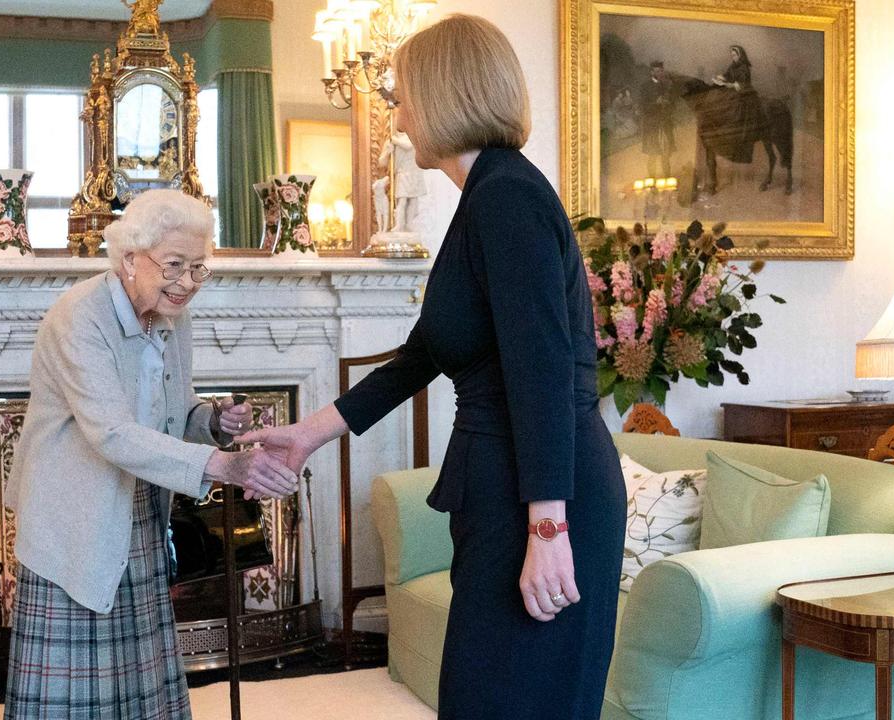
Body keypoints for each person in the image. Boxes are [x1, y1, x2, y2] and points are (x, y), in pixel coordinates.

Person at [238, 14, 626, 720]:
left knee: (515, 702)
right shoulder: (486, 196)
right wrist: (309, 433)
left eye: (403, 96)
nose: (398, 115)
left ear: (447, 95)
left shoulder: (506, 198)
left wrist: (547, 530)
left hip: (535, 496)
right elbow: (425, 353)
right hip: (506, 488)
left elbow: (540, 377)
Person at [3, 188, 298, 720]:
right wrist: (222, 466)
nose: (186, 282)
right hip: (74, 515)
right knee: (78, 693)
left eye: (198, 268)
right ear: (130, 258)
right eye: (174, 265)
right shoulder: (79, 317)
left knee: (137, 680)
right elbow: (112, 433)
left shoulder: (170, 318)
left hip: (139, 510)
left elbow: (173, 414)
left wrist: (211, 422)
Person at [712, 44, 763, 164]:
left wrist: (729, 85)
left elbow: (742, 84)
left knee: (738, 113)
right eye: (732, 55)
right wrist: (718, 78)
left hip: (745, 95)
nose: (733, 57)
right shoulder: (733, 66)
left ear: (740, 55)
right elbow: (727, 75)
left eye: (734, 55)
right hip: (735, 93)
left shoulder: (744, 67)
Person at [639, 60, 676, 177]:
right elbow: (642, 106)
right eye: (657, 71)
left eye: (661, 70)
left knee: (666, 154)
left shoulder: (667, 85)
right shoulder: (645, 87)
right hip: (652, 126)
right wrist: (656, 103)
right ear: (651, 72)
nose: (660, 73)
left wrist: (668, 103)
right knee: (652, 155)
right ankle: (652, 181)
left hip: (664, 124)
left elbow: (674, 105)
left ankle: (667, 178)